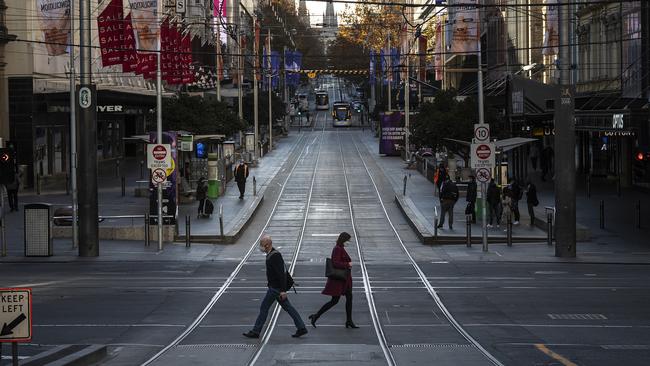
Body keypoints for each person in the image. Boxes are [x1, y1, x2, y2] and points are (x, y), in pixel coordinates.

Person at [243, 236, 308, 339]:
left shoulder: (275, 256)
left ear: (268, 244)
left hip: (275, 288)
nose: (261, 247)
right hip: (275, 287)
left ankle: (256, 331)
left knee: (264, 307)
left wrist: (283, 290)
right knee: (288, 307)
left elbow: (281, 274)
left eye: (262, 245)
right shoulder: (270, 254)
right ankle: (301, 327)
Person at [308, 232, 358, 329]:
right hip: (339, 281)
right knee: (334, 300)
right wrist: (347, 264)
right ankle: (316, 316)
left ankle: (349, 320)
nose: (349, 242)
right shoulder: (337, 249)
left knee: (349, 298)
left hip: (344, 280)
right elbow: (335, 263)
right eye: (348, 240)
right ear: (344, 240)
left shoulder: (340, 248)